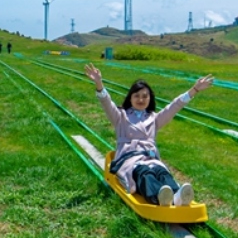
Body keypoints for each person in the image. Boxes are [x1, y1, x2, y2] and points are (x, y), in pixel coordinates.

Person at [86, 64, 213, 206]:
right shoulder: (120, 116)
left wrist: (194, 90)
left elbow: (174, 106)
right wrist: (99, 83)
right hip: (130, 160)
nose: (141, 99)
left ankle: (177, 197)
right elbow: (106, 102)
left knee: (161, 172)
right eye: (137, 96)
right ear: (130, 98)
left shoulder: (154, 118)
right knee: (145, 173)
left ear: (150, 99)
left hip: (151, 158)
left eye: (145, 96)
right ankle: (159, 198)